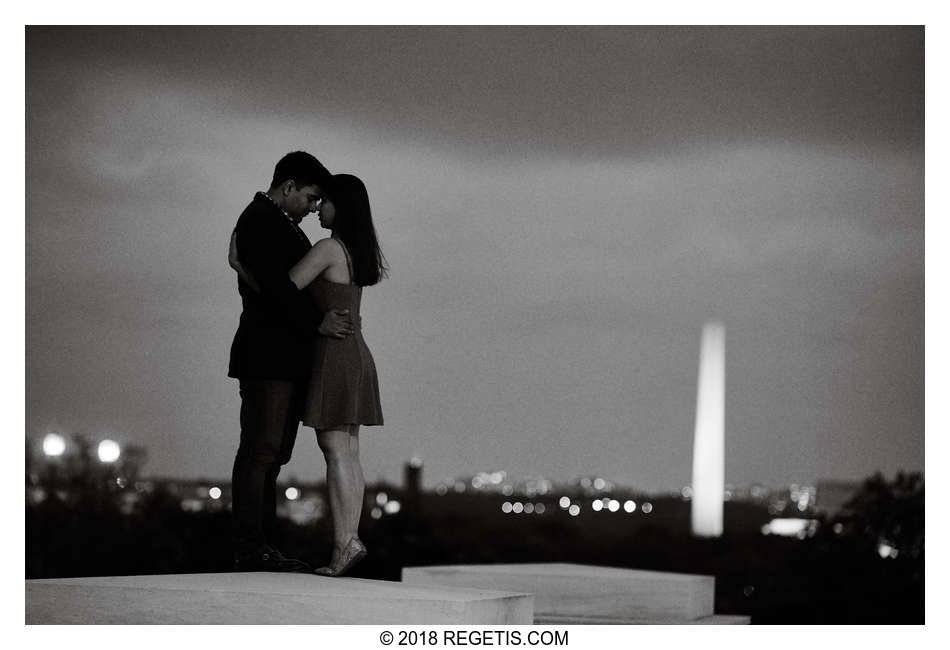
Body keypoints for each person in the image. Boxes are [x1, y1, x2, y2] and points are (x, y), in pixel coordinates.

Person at [231, 173, 387, 577]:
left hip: (333, 355)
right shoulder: (355, 251)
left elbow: (281, 291)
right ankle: (348, 540)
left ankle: (344, 545)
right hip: (355, 353)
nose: (319, 208)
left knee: (336, 451)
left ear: (342, 207)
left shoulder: (327, 248)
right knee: (348, 452)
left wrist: (239, 265)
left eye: (325, 202)